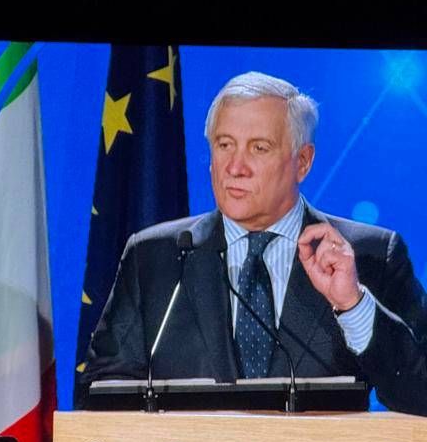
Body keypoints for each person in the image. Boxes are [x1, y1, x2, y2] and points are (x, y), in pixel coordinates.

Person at [78, 72, 427, 415]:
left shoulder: (370, 256)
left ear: (303, 162)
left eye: (259, 148)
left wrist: (353, 305)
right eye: (224, 145)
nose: (235, 167)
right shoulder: (154, 257)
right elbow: (101, 395)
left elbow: (420, 393)